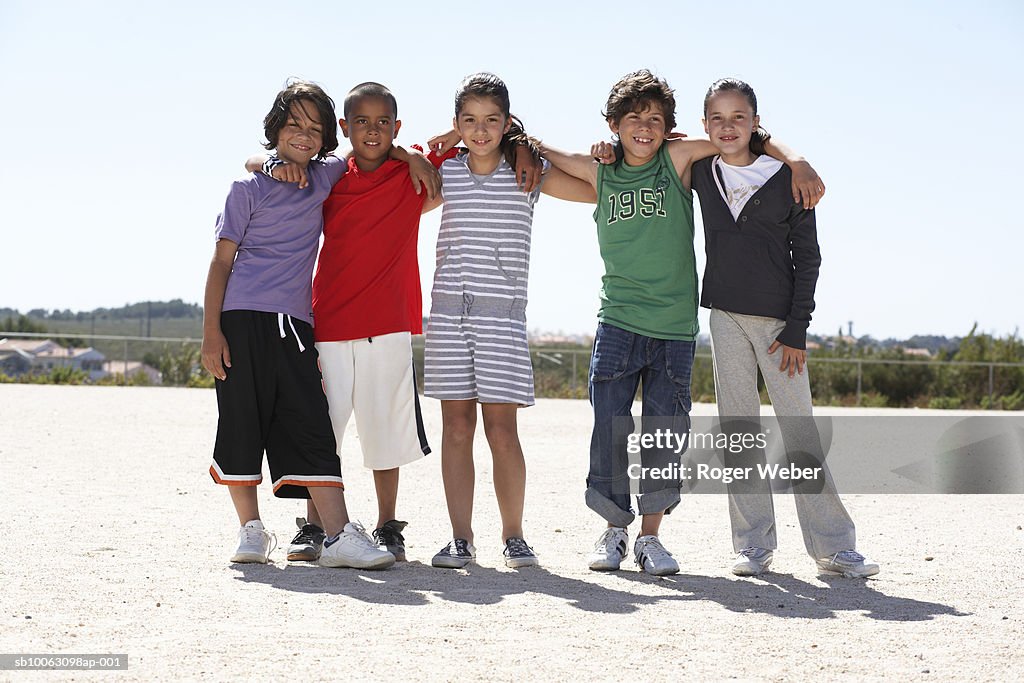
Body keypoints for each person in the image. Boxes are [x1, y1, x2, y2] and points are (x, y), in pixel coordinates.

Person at [543, 69, 824, 576]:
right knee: (611, 427)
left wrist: (797, 159)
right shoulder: (604, 173)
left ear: (670, 128)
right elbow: (541, 165)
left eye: (655, 120)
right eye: (633, 119)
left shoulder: (678, 164)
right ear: (613, 125)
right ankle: (614, 530)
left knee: (665, 433)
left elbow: (739, 136)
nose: (645, 128)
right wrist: (523, 142)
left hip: (677, 325)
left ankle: (652, 537)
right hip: (620, 320)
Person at [244, 82, 449, 563]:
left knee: (386, 433)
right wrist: (268, 162)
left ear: (396, 128)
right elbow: (256, 162)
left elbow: (465, 136)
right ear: (344, 128)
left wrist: (410, 154)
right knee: (322, 429)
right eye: (361, 122)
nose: (372, 131)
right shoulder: (327, 176)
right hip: (329, 322)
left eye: (383, 124)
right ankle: (314, 527)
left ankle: (386, 525)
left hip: (390, 323)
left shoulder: (411, 171)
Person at [202, 80, 395, 570]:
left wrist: (414, 159)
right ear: (276, 129)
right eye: (294, 126)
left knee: (311, 422)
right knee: (241, 421)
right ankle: (250, 530)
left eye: (315, 128)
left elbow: (364, 153)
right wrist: (211, 333)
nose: (304, 136)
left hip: (295, 324)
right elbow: (221, 262)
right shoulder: (246, 189)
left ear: (328, 135)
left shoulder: (325, 175)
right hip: (240, 320)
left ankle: (337, 537)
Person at [692, 78, 879, 578]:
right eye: (717, 118)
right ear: (704, 124)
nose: (727, 127)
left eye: (739, 117)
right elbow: (648, 148)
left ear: (756, 122)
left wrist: (797, 328)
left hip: (780, 326)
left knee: (800, 431)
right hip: (725, 315)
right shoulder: (700, 172)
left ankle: (834, 547)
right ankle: (753, 544)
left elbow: (808, 257)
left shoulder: (785, 178)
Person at [424, 73, 595, 569]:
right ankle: (460, 537)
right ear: (456, 124)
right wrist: (437, 147)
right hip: (450, 316)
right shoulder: (446, 174)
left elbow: (591, 188)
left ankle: (514, 535)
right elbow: (391, 171)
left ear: (507, 123)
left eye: (491, 120)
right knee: (456, 428)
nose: (480, 131)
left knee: (502, 432)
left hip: (503, 322)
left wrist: (529, 145)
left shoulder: (528, 173)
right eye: (469, 121)